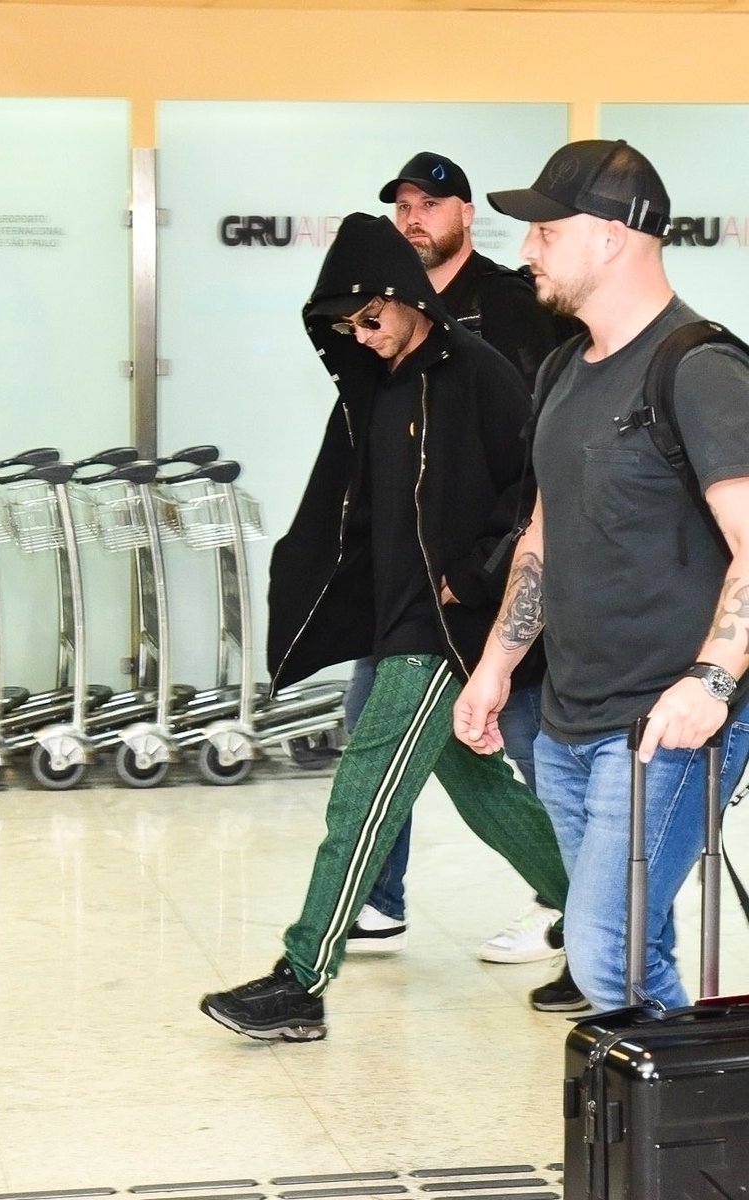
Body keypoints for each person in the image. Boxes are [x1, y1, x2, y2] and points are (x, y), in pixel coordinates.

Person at [199, 211, 569, 1041]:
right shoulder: (375, 388)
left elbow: (535, 493)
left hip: (447, 628)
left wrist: (469, 581)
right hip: (398, 619)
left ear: (403, 298)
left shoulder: (474, 371)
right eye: (344, 327)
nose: (359, 336)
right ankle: (597, 924)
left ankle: (302, 978)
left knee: (361, 793)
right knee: (484, 797)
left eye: (370, 318)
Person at [453, 138, 749, 1012]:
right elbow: (545, 532)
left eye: (547, 227)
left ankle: (680, 1135)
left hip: (665, 724)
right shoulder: (560, 370)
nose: (527, 246)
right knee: (626, 946)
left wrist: (711, 681)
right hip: (566, 719)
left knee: (603, 949)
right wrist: (498, 664)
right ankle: (667, 1137)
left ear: (613, 236)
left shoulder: (699, 370)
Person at [343, 152, 583, 1008]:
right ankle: (377, 898)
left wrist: (485, 569)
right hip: (410, 575)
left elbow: (533, 450)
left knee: (517, 739)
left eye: (428, 204)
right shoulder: (391, 306)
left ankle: (569, 908)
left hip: (493, 572)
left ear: (464, 213)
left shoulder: (514, 304)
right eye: (402, 205)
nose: (413, 218)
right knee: (374, 721)